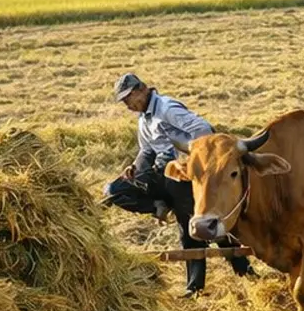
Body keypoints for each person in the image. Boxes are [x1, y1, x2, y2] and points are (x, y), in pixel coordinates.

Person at [100, 72, 251, 293]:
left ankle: (231, 275)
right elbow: (146, 150)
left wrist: (187, 156)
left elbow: (203, 130)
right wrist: (135, 166)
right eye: (124, 101)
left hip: (181, 175)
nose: (127, 104)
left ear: (142, 89)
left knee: (195, 227)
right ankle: (158, 205)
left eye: (129, 98)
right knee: (114, 190)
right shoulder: (144, 119)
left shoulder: (166, 108)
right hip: (161, 174)